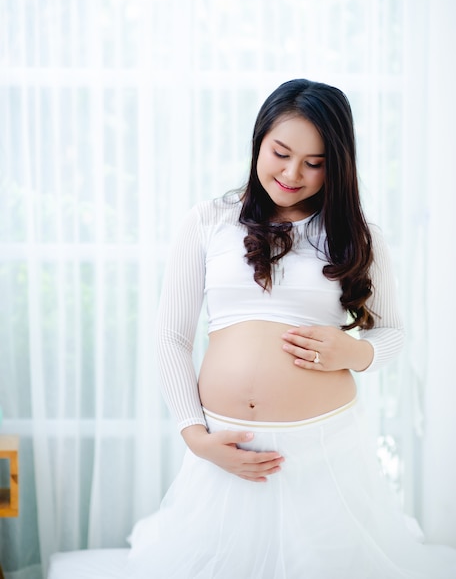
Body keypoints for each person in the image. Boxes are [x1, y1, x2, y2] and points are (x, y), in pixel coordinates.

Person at [127, 79, 456, 578]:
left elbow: (393, 333)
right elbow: (171, 336)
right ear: (259, 140)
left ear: (337, 163)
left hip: (324, 455)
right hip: (228, 451)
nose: (292, 173)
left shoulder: (358, 237)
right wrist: (194, 435)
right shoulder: (209, 221)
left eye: (314, 162)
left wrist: (354, 352)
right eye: (280, 152)